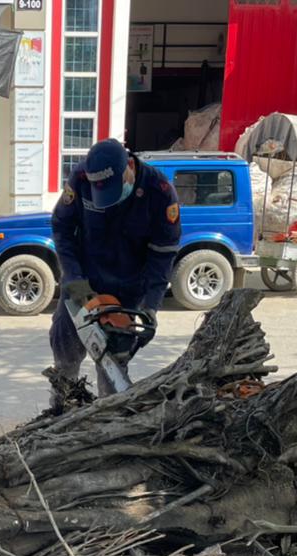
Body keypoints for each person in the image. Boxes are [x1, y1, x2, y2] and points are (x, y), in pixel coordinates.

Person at [49, 138, 181, 396]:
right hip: (82, 284)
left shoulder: (159, 191)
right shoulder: (81, 179)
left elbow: (163, 253)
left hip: (128, 291)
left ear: (130, 166)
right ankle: (60, 412)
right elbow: (62, 228)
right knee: (64, 357)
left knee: (113, 369)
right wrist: (74, 279)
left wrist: (151, 306)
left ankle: (107, 424)